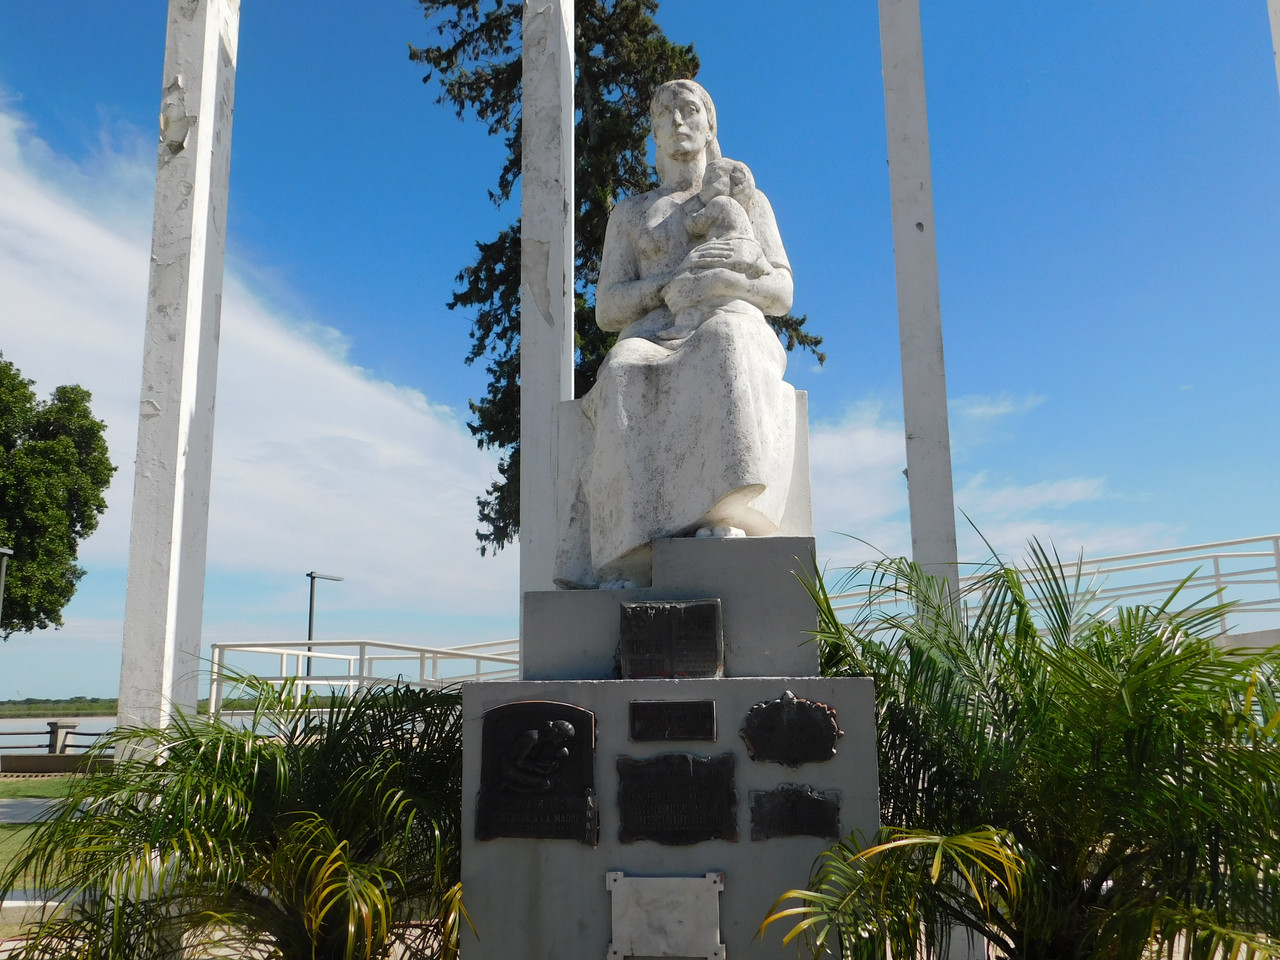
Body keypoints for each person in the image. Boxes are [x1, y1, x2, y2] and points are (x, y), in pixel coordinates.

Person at [559, 79, 799, 588]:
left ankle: (723, 510)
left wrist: (727, 282)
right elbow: (607, 309)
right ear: (653, 133)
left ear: (710, 125)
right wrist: (666, 288)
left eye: (689, 109)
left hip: (731, 319)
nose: (677, 120)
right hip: (654, 335)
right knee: (621, 370)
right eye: (664, 113)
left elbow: (781, 292)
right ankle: (629, 552)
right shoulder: (630, 214)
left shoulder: (748, 200)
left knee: (723, 341)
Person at [659, 157, 771, 342]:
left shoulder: (719, 202)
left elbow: (695, 225)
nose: (704, 187)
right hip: (748, 250)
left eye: (711, 180)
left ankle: (684, 325)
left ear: (735, 184)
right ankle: (717, 310)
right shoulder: (737, 207)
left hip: (728, 248)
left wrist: (690, 210)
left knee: (684, 285)